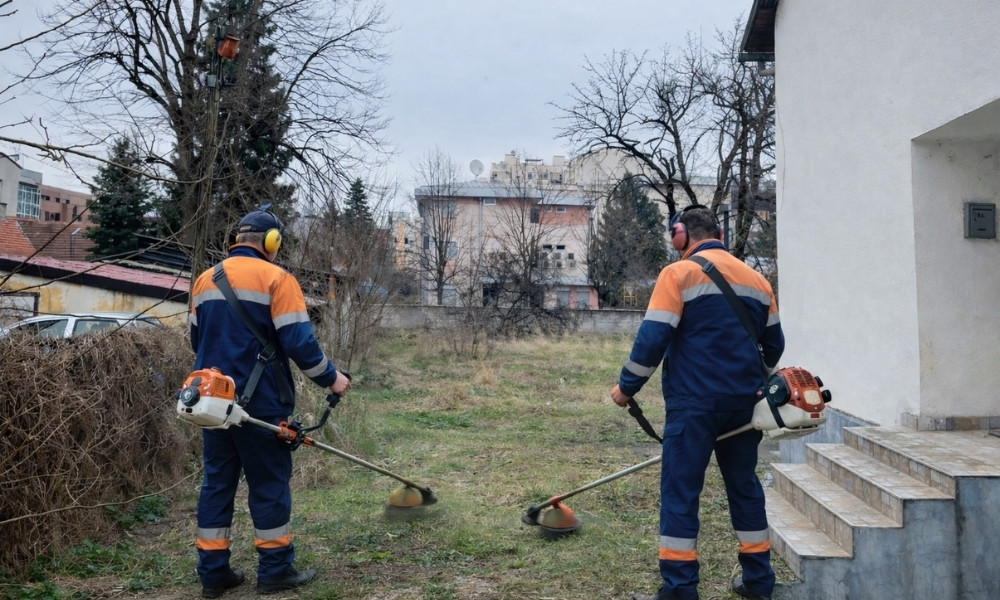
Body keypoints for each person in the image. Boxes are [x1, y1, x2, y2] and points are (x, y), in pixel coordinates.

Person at [610, 205, 784, 600]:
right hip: (744, 406)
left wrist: (626, 388)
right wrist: (749, 379)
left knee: (681, 493)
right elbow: (774, 346)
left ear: (680, 235)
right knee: (744, 488)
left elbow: (653, 338)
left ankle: (680, 589)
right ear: (719, 233)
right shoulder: (758, 281)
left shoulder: (678, 274)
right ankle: (758, 582)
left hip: (693, 406)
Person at [189, 205, 351, 598]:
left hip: (211, 402)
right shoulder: (278, 278)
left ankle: (213, 575)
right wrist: (333, 379)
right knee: (268, 486)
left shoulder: (204, 280)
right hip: (260, 406)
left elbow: (196, 341)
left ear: (237, 240)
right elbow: (300, 344)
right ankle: (275, 570)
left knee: (216, 485)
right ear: (271, 242)